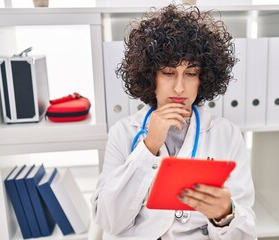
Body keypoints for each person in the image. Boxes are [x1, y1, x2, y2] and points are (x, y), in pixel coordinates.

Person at [92, 4, 256, 240]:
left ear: (203, 79)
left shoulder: (226, 134)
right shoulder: (124, 132)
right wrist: (148, 147)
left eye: (191, 74)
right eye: (168, 73)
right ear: (151, 77)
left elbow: (246, 232)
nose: (180, 87)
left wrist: (225, 214)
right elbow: (109, 220)